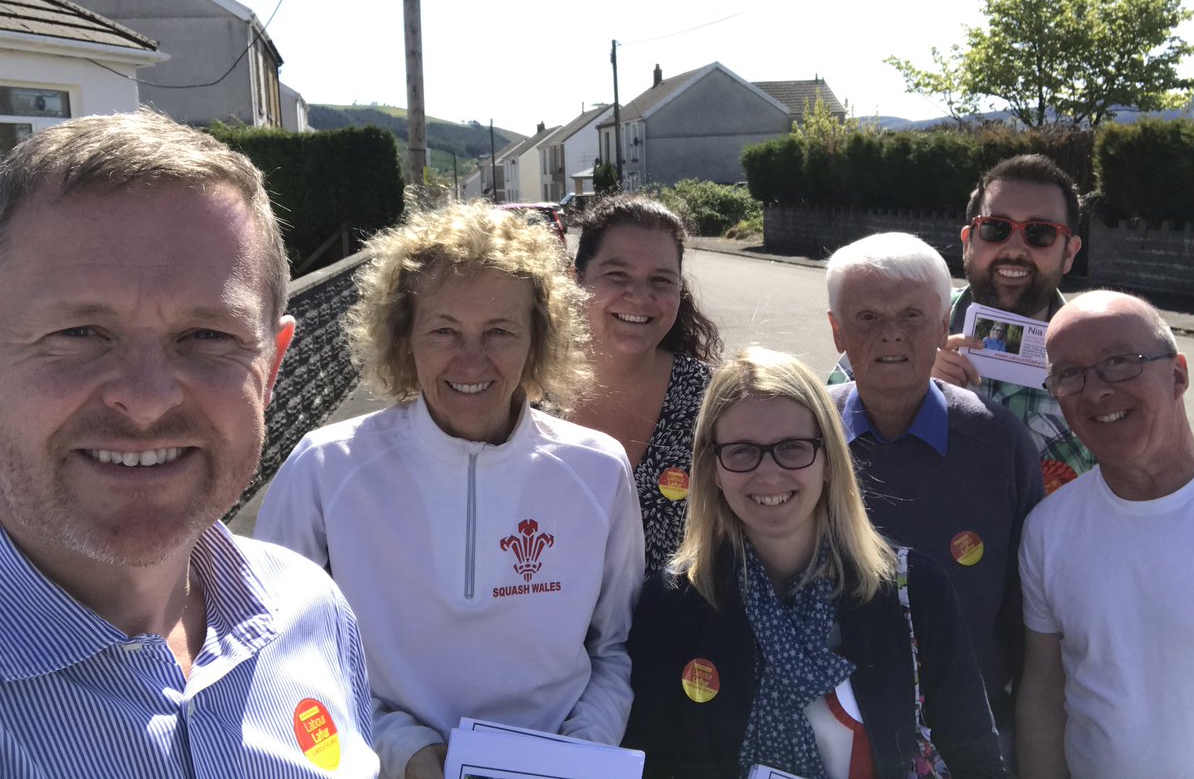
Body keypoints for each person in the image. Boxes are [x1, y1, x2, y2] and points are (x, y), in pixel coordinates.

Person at [0, 111, 379, 776]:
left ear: (271, 367)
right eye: (80, 333)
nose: (146, 398)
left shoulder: (312, 612)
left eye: (207, 336)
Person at [255, 202, 644, 779]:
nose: (471, 360)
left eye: (500, 332)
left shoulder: (598, 470)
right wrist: (401, 749)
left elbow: (614, 648)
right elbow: (279, 657)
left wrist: (577, 754)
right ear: (404, 337)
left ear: (538, 339)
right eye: (443, 331)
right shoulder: (326, 468)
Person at [624, 347, 1003, 779]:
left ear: (828, 459)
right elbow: (650, 761)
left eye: (792, 448)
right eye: (742, 451)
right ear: (713, 468)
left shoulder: (913, 590)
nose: (769, 474)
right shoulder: (675, 602)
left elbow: (976, 757)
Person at [824, 232, 1042, 755]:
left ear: (944, 326)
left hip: (969, 733)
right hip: (833, 732)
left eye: (913, 316)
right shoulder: (804, 433)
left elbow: (1029, 609)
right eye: (867, 317)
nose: (891, 334)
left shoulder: (998, 440)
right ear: (837, 331)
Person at [1017, 291, 1194, 778]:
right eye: (1069, 374)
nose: (1095, 391)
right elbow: (1044, 695)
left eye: (1119, 362)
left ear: (1178, 375)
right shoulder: (1048, 529)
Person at [571, 195, 722, 573]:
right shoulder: (525, 394)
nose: (640, 296)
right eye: (617, 275)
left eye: (661, 280)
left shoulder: (715, 404)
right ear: (576, 280)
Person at [932, 153, 1095, 493]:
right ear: (967, 242)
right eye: (996, 228)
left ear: (1069, 253)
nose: (1015, 248)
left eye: (1040, 233)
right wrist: (901, 389)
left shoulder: (1103, 354)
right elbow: (832, 442)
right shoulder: (906, 324)